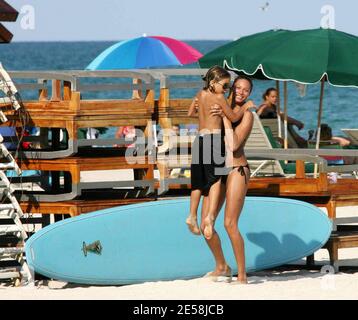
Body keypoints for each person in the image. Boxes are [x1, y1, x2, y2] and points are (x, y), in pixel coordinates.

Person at [186, 67, 251, 237]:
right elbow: (234, 118)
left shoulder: (201, 94)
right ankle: (209, 217)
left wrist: (203, 110)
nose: (226, 89)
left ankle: (192, 215)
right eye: (226, 85)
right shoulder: (220, 97)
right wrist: (246, 107)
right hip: (213, 142)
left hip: (199, 141)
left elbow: (190, 112)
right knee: (216, 179)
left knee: (197, 184)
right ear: (214, 83)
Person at [205, 75, 254, 284]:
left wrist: (225, 117)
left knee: (230, 224)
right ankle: (222, 266)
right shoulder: (220, 105)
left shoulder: (247, 116)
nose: (241, 92)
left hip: (237, 170)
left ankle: (242, 275)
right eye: (238, 88)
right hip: (217, 170)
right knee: (206, 223)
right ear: (231, 89)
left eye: (246, 90)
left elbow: (233, 145)